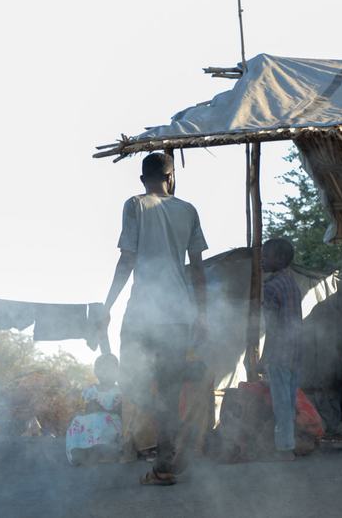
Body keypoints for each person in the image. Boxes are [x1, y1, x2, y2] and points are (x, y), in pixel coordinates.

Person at [101, 152, 208, 486]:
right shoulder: (188, 210)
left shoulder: (135, 205)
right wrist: (201, 314)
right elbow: (198, 269)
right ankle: (167, 458)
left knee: (130, 379)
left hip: (144, 314)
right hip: (179, 315)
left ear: (142, 178)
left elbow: (127, 259)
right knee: (169, 391)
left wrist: (107, 304)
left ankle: (164, 464)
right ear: (171, 177)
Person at [260, 238, 304, 461]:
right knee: (289, 399)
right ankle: (291, 442)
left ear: (278, 260)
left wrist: (265, 354)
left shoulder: (270, 287)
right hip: (296, 351)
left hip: (279, 351)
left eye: (265, 256)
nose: (262, 260)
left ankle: (285, 448)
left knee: (281, 403)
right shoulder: (293, 284)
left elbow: (272, 326)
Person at [66, 354, 124, 465]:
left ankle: (101, 452)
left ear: (116, 372)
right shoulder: (91, 390)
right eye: (102, 369)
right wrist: (89, 408)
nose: (105, 373)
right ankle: (79, 450)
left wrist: (105, 409)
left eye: (109, 369)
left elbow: (120, 411)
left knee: (101, 419)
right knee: (77, 420)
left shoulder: (118, 391)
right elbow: (85, 408)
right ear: (96, 372)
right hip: (91, 420)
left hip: (110, 420)